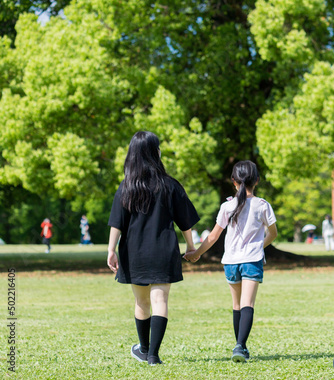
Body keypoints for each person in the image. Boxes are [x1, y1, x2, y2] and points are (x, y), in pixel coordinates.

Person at [107, 131, 199, 366]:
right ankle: (153, 355)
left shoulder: (127, 186)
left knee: (141, 302)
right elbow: (185, 221)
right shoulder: (169, 185)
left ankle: (144, 348)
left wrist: (111, 250)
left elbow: (117, 222)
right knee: (161, 301)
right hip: (163, 251)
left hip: (135, 253)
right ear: (154, 153)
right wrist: (191, 246)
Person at [185, 160, 277, 363]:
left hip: (231, 262)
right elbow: (273, 233)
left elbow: (213, 236)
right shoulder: (263, 205)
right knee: (248, 304)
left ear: (233, 182)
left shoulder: (227, 206)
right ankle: (240, 346)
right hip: (252, 260)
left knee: (237, 304)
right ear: (257, 181)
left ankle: (239, 346)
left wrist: (196, 253)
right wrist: (259, 246)